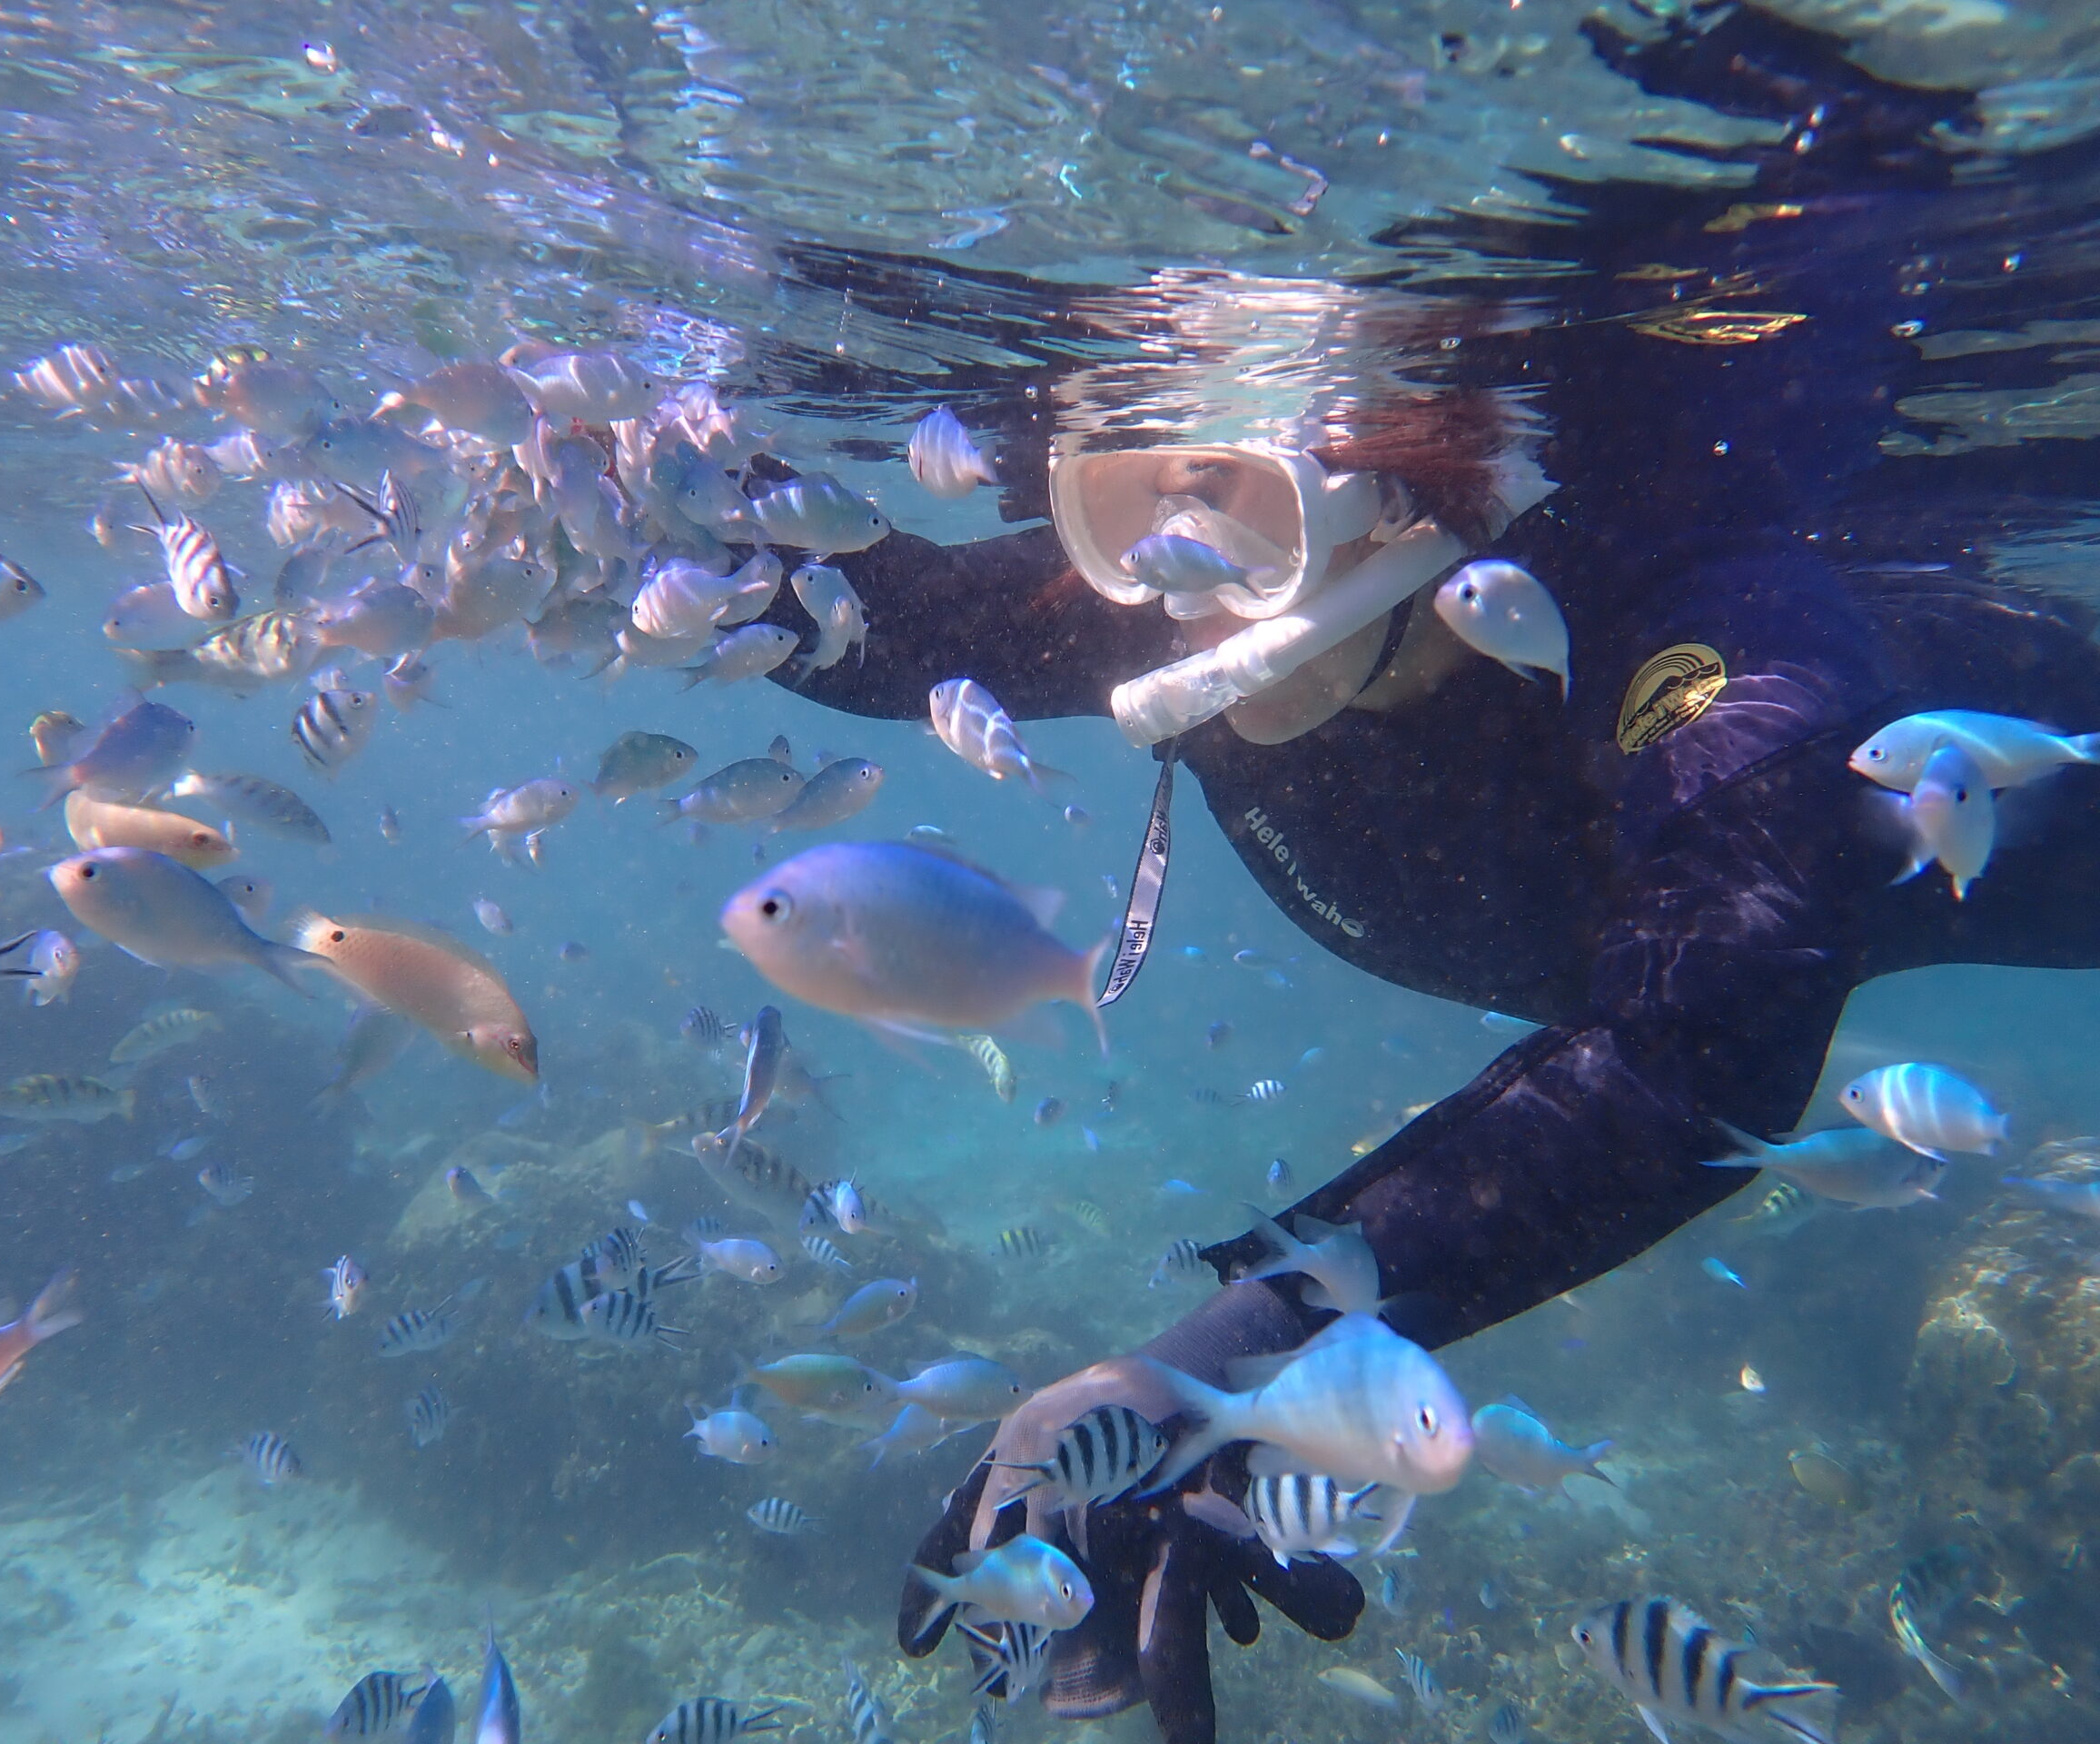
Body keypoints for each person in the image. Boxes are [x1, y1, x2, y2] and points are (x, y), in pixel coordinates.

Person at [757, 5, 2100, 1740]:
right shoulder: (1167, 599)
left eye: (1240, 517)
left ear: (1402, 510)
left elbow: (1704, 1042)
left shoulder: (1682, 626)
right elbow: (871, 627)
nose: (1166, 591)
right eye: (1120, 519)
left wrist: (1216, 1364)